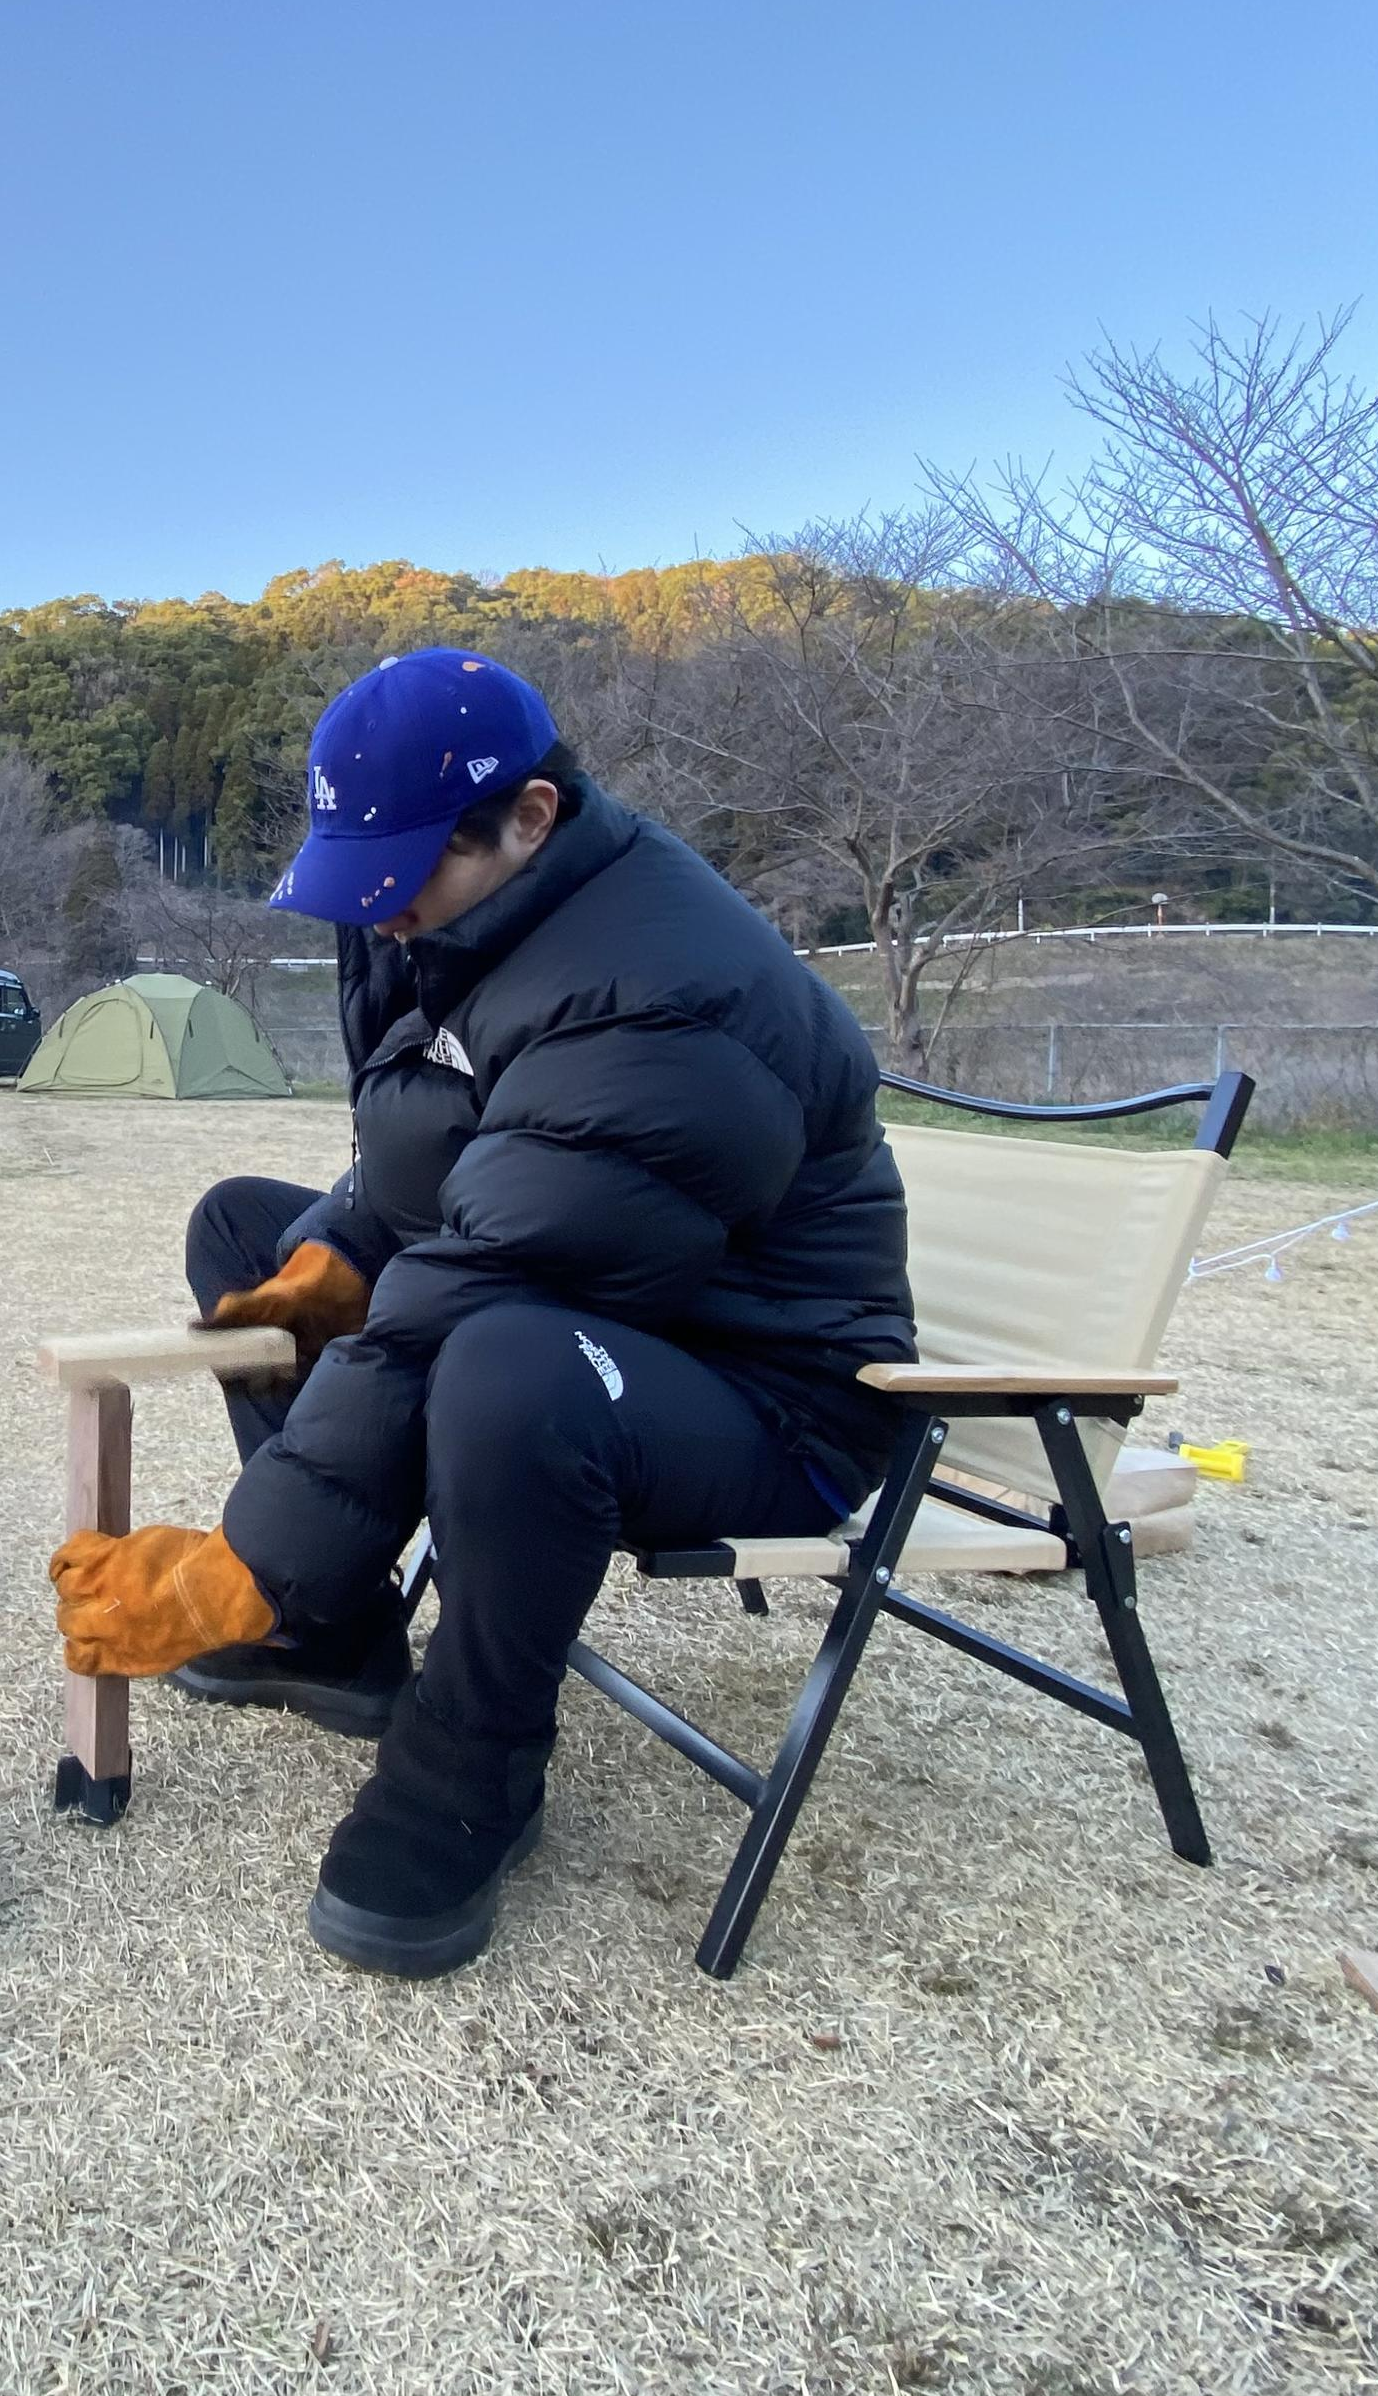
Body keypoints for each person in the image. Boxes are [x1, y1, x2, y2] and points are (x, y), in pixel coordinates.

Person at [49, 649, 916, 1978]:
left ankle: (474, 1763)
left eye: (402, 875)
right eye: (359, 876)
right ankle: (335, 1631)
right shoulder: (470, 923)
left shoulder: (666, 991)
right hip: (598, 1298)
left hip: (765, 1391)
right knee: (246, 1227)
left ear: (530, 818)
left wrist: (250, 1557)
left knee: (506, 1363)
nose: (380, 912)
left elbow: (498, 1271)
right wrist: (331, 1254)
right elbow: (434, 1162)